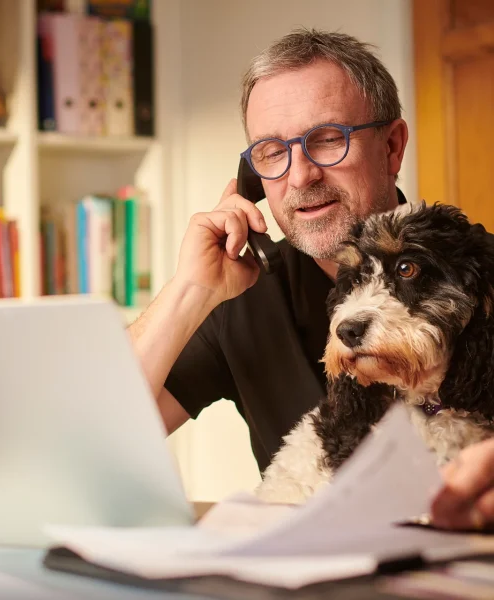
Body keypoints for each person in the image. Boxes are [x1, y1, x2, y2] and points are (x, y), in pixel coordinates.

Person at [128, 27, 494, 530]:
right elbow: (87, 436)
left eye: (327, 140)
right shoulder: (241, 292)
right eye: (272, 152)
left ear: (391, 148)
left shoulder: (479, 278)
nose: (300, 177)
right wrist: (190, 290)